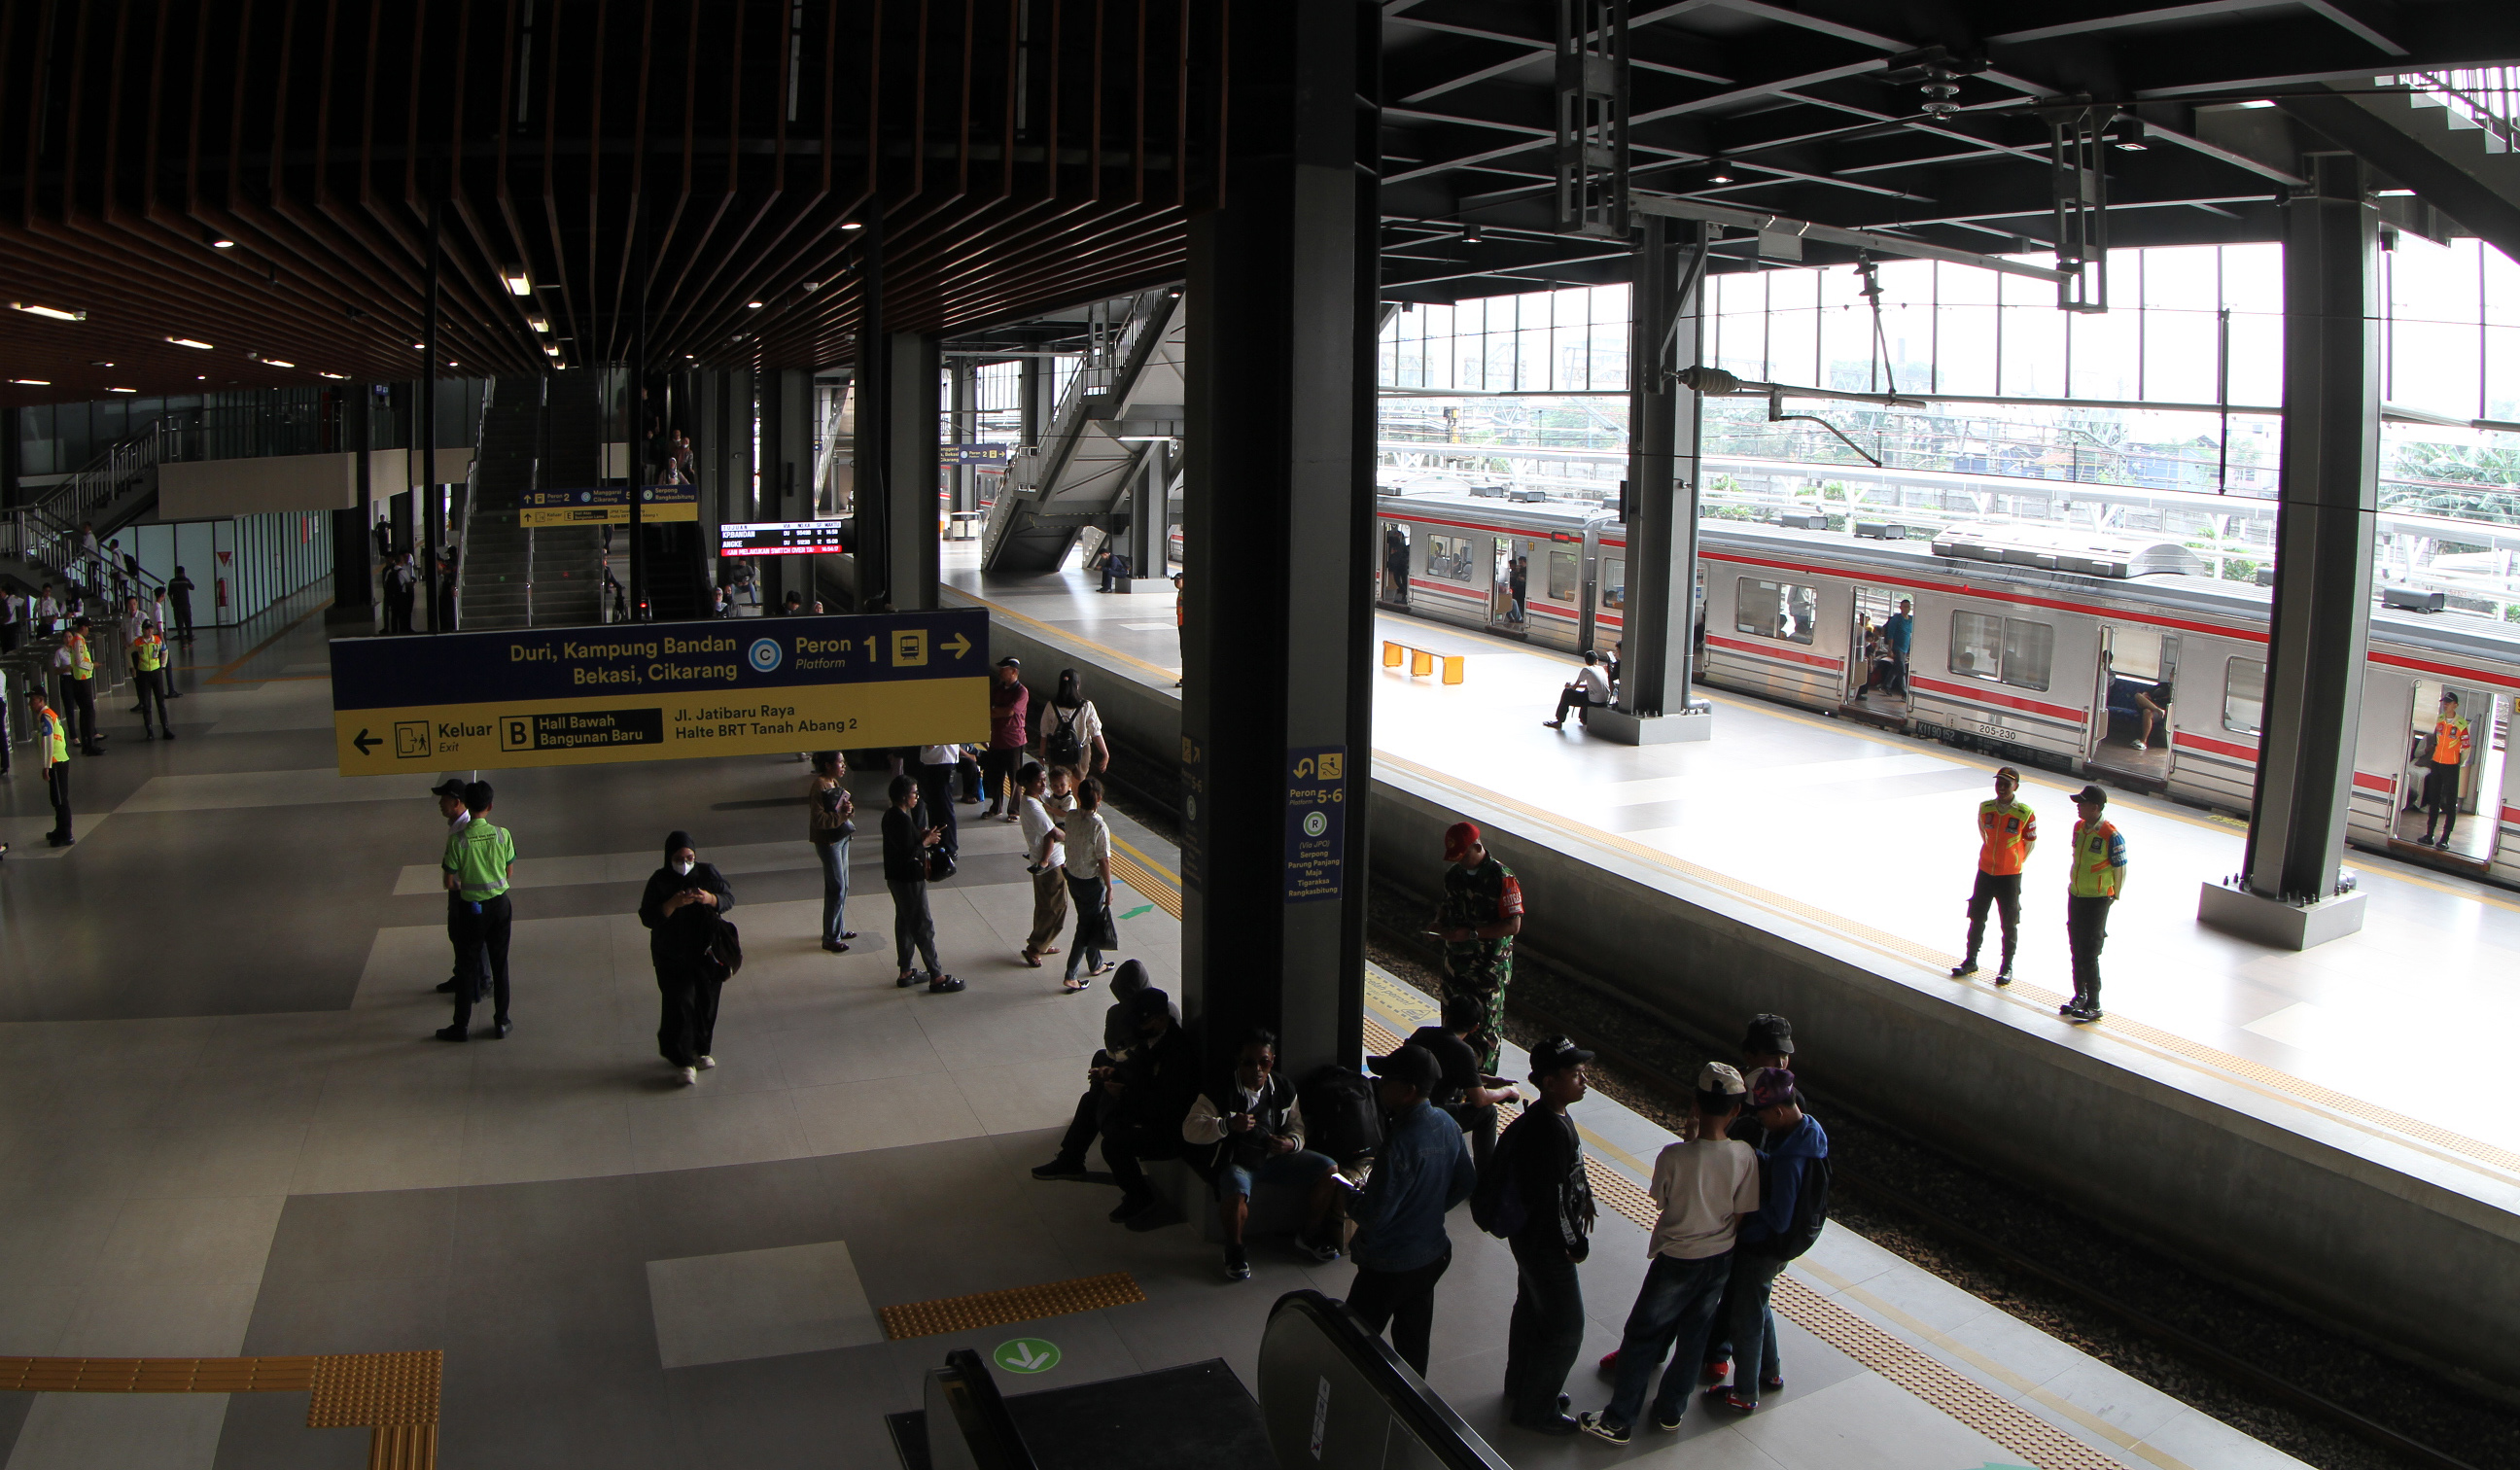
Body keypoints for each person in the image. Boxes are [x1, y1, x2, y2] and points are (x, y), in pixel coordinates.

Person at [1579, 1064, 1763, 1444]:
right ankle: (1669, 1412)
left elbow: (1662, 1202)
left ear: (1695, 1104)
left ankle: (1619, 1420)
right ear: (1736, 1111)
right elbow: (1743, 1211)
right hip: (1720, 1259)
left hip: (1677, 1259)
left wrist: (1689, 1140)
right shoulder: (1745, 1155)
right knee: (1695, 1336)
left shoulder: (1673, 1156)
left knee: (1643, 1334)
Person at [1344, 1043, 1479, 1371]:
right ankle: (1413, 1407)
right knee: (1413, 1344)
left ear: (1408, 1091)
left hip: (1388, 1265)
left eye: (1386, 1079)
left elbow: (1374, 1217)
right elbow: (1466, 1182)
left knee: (1350, 1341)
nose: (1379, 1084)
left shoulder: (1400, 1144)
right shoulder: (1446, 1123)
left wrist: (1348, 1194)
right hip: (1431, 1256)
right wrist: (1427, 1212)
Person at [1703, 1068, 1829, 1417]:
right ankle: (1769, 1372)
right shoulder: (1807, 1130)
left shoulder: (1792, 1159)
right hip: (1788, 1242)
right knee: (1759, 1302)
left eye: (1761, 1115)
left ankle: (1745, 1393)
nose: (1758, 1121)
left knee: (1746, 1316)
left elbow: (1779, 1217)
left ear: (1778, 1111)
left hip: (1768, 1244)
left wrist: (1739, 1228)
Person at [1183, 1030, 1346, 1281]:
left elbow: (1296, 1126)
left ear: (1272, 1061)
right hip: (1238, 1161)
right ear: (1238, 1062)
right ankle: (1235, 1250)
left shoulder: (1283, 1087)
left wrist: (1291, 1144)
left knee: (1330, 1170)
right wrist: (1225, 1125)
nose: (1257, 1069)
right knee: (1236, 1194)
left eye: (1265, 1062)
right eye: (1249, 1062)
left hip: (1275, 1158)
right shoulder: (1219, 1090)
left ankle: (1309, 1234)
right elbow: (1190, 1129)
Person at [1502, 1037, 1597, 1436]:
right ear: (1550, 1081)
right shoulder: (1548, 1129)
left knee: (1531, 1309)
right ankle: (1536, 1408)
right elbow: (1554, 1197)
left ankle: (1523, 1387)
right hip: (1546, 1244)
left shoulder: (1550, 1114)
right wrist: (1574, 1242)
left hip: (1528, 1239)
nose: (1585, 1081)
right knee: (1567, 1328)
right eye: (1575, 1075)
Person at [1031, 959, 1177, 1182]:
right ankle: (1076, 1149)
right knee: (1099, 1067)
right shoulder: (1164, 1011)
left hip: (1149, 1093)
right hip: (1144, 1079)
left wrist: (1117, 1077)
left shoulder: (1138, 1022)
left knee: (1092, 1100)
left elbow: (1146, 1070)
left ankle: (1073, 1155)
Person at [1092, 985, 1201, 1223]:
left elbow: (1167, 1104)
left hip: (1171, 1130)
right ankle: (1071, 1156)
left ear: (1161, 1019)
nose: (1136, 1028)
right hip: (1147, 1109)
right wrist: (1114, 1073)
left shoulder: (1178, 1054)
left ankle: (1140, 1196)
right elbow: (1139, 1071)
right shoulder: (1152, 1038)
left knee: (1113, 1145)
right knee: (1094, 1099)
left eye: (1142, 1022)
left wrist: (1125, 1095)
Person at [641, 831, 737, 1085]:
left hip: (706, 952)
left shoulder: (707, 874)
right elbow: (648, 917)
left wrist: (709, 898)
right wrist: (672, 904)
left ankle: (700, 1049)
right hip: (671, 955)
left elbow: (728, 898)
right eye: (678, 858)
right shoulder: (659, 881)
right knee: (680, 1002)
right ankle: (683, 1059)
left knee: (707, 1002)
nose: (684, 863)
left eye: (689, 857)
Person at [1434, 821, 1522, 1072]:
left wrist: (1471, 934)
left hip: (1488, 968)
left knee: (1484, 1028)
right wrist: (1438, 925)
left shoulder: (1503, 878)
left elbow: (1513, 926)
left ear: (1477, 846)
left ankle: (1481, 1083)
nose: (1460, 862)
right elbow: (1446, 905)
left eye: (1463, 856)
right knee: (1452, 1024)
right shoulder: (1454, 875)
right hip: (1456, 964)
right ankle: (1451, 1078)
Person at [436, 782, 515, 1042]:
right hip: (501, 906)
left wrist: (467, 885)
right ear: (490, 806)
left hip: (472, 909)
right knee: (499, 964)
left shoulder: (458, 840)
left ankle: (461, 1026)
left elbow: (449, 882)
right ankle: (501, 1021)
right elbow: (508, 871)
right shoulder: (503, 834)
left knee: (467, 967)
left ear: (466, 805)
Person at [1407, 993, 1519, 1172]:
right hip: (1431, 1114)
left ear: (1447, 1016)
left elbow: (1446, 1069)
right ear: (1475, 1027)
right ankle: (1485, 1179)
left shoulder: (1422, 1033)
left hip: (1405, 1105)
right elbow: (1480, 1099)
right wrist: (1507, 1090)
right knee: (1487, 1112)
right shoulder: (1462, 1050)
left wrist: (1488, 1080)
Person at [1949, 766, 2035, 986]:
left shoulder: (2025, 813)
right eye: (1999, 783)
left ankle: (2006, 967)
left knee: (2009, 921)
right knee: (1977, 916)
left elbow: (2030, 842)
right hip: (1985, 871)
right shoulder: (1985, 808)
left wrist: (2014, 860)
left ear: (2016, 786)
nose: (2002, 787)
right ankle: (1971, 960)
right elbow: (1984, 833)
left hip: (2010, 876)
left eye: (2007, 784)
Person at [881, 774, 962, 993]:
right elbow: (908, 853)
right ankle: (937, 976)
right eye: (914, 793)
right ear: (904, 796)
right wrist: (925, 841)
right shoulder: (901, 819)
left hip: (896, 878)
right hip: (909, 880)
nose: (917, 797)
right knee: (922, 925)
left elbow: (902, 844)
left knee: (905, 923)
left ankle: (906, 970)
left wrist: (920, 836)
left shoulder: (891, 815)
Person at [2063, 785, 2126, 1024]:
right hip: (2077, 894)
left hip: (2098, 899)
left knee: (2089, 951)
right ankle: (2079, 995)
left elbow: (2121, 868)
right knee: (2076, 947)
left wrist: (2114, 895)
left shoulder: (2111, 834)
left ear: (2095, 807)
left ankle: (2094, 1003)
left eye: (2082, 803)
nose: (2078, 806)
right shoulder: (2079, 828)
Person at [428, 778, 487, 1000]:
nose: (440, 803)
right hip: (460, 890)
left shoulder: (465, 828)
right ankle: (462, 974)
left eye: (444, 799)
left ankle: (480, 980)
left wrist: (455, 885)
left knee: (471, 938)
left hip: (466, 892)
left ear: (458, 802)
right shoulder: (456, 825)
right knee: (457, 935)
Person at [1062, 777, 1118, 992]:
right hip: (1091, 883)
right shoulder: (1099, 827)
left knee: (1087, 920)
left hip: (1073, 877)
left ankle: (1095, 964)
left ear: (1078, 796)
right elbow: (1103, 860)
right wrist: (1110, 888)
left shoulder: (1070, 817)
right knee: (1085, 928)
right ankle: (1070, 975)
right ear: (1099, 799)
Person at [1017, 761, 1070, 967]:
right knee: (1056, 908)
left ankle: (1042, 943)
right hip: (1049, 864)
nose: (1044, 784)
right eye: (1039, 781)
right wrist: (1074, 838)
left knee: (1044, 906)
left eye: (1044, 779)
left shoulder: (1037, 797)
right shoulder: (1032, 806)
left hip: (1047, 860)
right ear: (1028, 782)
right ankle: (1035, 948)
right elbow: (1054, 833)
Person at [807, 752, 856, 953]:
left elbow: (839, 811)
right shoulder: (819, 786)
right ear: (828, 765)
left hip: (841, 838)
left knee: (843, 885)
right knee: (836, 887)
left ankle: (838, 927)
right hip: (829, 841)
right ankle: (830, 937)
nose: (843, 766)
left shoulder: (833, 783)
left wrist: (848, 810)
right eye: (840, 762)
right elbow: (819, 819)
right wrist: (843, 817)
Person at [2417, 691, 2470, 849]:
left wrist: (2459, 763)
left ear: (2456, 705)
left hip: (2451, 765)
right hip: (2437, 763)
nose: (2445, 704)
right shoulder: (2440, 719)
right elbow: (2437, 740)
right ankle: (2429, 834)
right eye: (2444, 702)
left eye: (2448, 702)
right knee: (2434, 799)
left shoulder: (2461, 724)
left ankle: (2445, 838)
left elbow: (2466, 748)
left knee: (2450, 801)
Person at [1042, 669, 1107, 785]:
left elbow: (1044, 733)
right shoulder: (1086, 706)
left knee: (1060, 790)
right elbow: (1096, 732)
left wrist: (1041, 756)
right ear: (1077, 685)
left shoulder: (1051, 705)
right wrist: (1105, 754)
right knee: (1078, 791)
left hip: (1057, 753)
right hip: (1080, 754)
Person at [983, 658, 1030, 819]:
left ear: (1014, 671)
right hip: (996, 740)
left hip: (1014, 741)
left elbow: (1011, 711)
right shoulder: (996, 689)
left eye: (1004, 669)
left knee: (1015, 777)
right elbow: (987, 709)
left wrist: (996, 710)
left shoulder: (1021, 692)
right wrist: (998, 710)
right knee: (995, 776)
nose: (1000, 672)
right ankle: (996, 806)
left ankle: (1014, 810)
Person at [27, 686, 73, 847]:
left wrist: (46, 766)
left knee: (60, 800)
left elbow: (47, 742)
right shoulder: (49, 714)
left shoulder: (45, 717)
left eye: (33, 700)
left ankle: (66, 834)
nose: (30, 704)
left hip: (56, 761)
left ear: (41, 700)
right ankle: (59, 829)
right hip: (59, 760)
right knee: (57, 799)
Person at [52, 617, 104, 754]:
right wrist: (93, 665)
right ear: (83, 627)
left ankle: (87, 744)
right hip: (82, 679)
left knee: (84, 712)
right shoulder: (79, 641)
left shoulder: (76, 641)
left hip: (79, 678)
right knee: (88, 711)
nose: (88, 630)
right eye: (88, 627)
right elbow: (80, 661)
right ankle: (90, 744)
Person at [912, 742, 962, 865]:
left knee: (944, 808)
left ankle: (949, 847)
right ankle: (937, 843)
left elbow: (930, 744)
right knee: (935, 807)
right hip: (935, 762)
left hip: (941, 763)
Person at [1543, 650, 1613, 730]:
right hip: (1604, 701)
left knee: (1567, 693)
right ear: (1597, 661)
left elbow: (1574, 688)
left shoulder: (1586, 670)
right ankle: (1583, 718)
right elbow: (1592, 686)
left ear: (1586, 661)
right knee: (1586, 692)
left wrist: (1569, 687)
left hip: (1595, 701)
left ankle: (1559, 721)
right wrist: (1574, 686)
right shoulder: (1601, 669)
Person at [129, 621, 174, 740]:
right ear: (143, 630)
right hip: (143, 674)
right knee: (146, 704)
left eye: (151, 629)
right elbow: (128, 652)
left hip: (156, 672)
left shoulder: (158, 640)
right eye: (147, 629)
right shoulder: (138, 642)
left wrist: (162, 666)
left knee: (161, 702)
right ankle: (149, 731)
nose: (149, 631)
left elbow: (165, 651)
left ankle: (166, 729)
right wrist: (132, 667)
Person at [1882, 598, 1913, 695]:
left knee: (1896, 669)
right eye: (1905, 607)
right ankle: (1904, 692)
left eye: (1908, 607)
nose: (1907, 609)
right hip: (1897, 647)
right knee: (1902, 670)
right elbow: (1891, 635)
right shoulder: (1896, 619)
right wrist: (1890, 649)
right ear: (1900, 607)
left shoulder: (1910, 620)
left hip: (1905, 648)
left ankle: (1886, 685)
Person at [2133, 679, 2172, 752]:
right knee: (2138, 695)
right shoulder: (2162, 685)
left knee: (2147, 712)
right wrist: (2145, 696)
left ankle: (2143, 741)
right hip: (2150, 705)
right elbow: (2148, 693)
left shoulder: (2176, 690)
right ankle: (2157, 709)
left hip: (2160, 712)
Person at [1383, 522, 1411, 604]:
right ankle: (1404, 593)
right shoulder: (1399, 544)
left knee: (1401, 580)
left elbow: (1406, 553)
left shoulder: (1400, 545)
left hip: (1400, 565)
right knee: (1399, 580)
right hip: (1399, 565)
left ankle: (1404, 593)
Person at [1172, 572, 1186, 688]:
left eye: (1178, 580)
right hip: (1181, 625)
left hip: (1186, 626)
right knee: (1184, 652)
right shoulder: (1181, 592)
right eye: (1175, 581)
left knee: (1187, 653)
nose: (1176, 583)